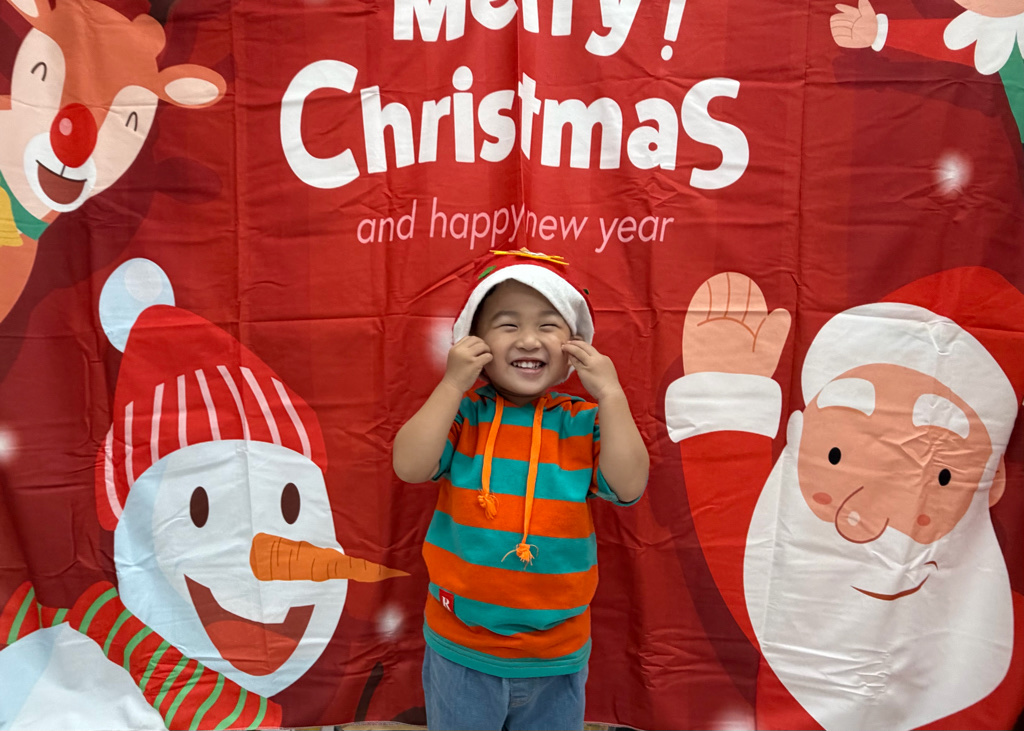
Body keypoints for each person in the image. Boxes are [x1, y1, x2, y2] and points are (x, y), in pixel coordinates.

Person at [665, 268, 1024, 731]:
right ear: (798, 435)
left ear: (991, 482)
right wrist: (726, 396)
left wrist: (726, 399)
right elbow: (729, 519)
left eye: (936, 475)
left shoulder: (1000, 629)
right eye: (836, 455)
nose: (866, 518)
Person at [393, 248, 649, 731]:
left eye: (549, 326)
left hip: (557, 652)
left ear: (575, 346)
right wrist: (451, 385)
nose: (529, 339)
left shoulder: (583, 422)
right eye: (508, 324)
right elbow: (409, 466)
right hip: (462, 648)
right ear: (475, 342)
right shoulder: (464, 414)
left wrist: (612, 396)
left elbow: (629, 486)